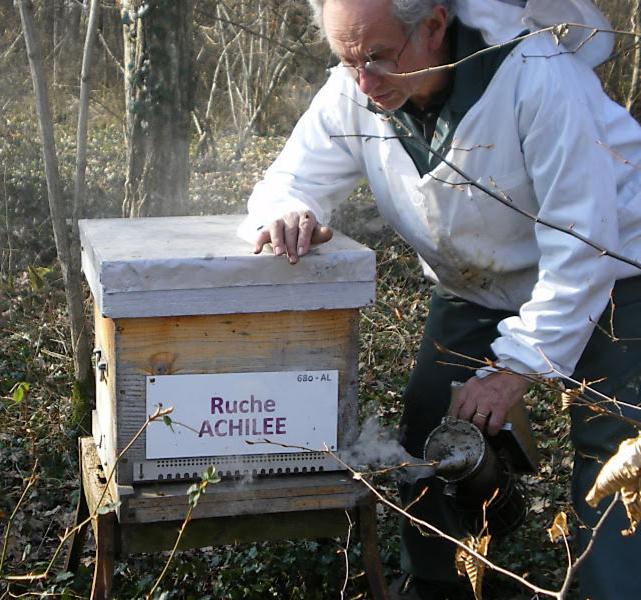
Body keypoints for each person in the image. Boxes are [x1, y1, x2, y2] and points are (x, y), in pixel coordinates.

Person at [238, 1, 641, 599]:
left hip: (614, 271)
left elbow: (583, 242)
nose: (364, 82)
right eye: (348, 60)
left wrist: (514, 370)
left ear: (433, 26)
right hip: (476, 285)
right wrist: (290, 210)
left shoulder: (536, 76)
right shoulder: (356, 84)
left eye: (377, 57)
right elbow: (290, 177)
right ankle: (436, 586)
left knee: (617, 454)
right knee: (430, 434)